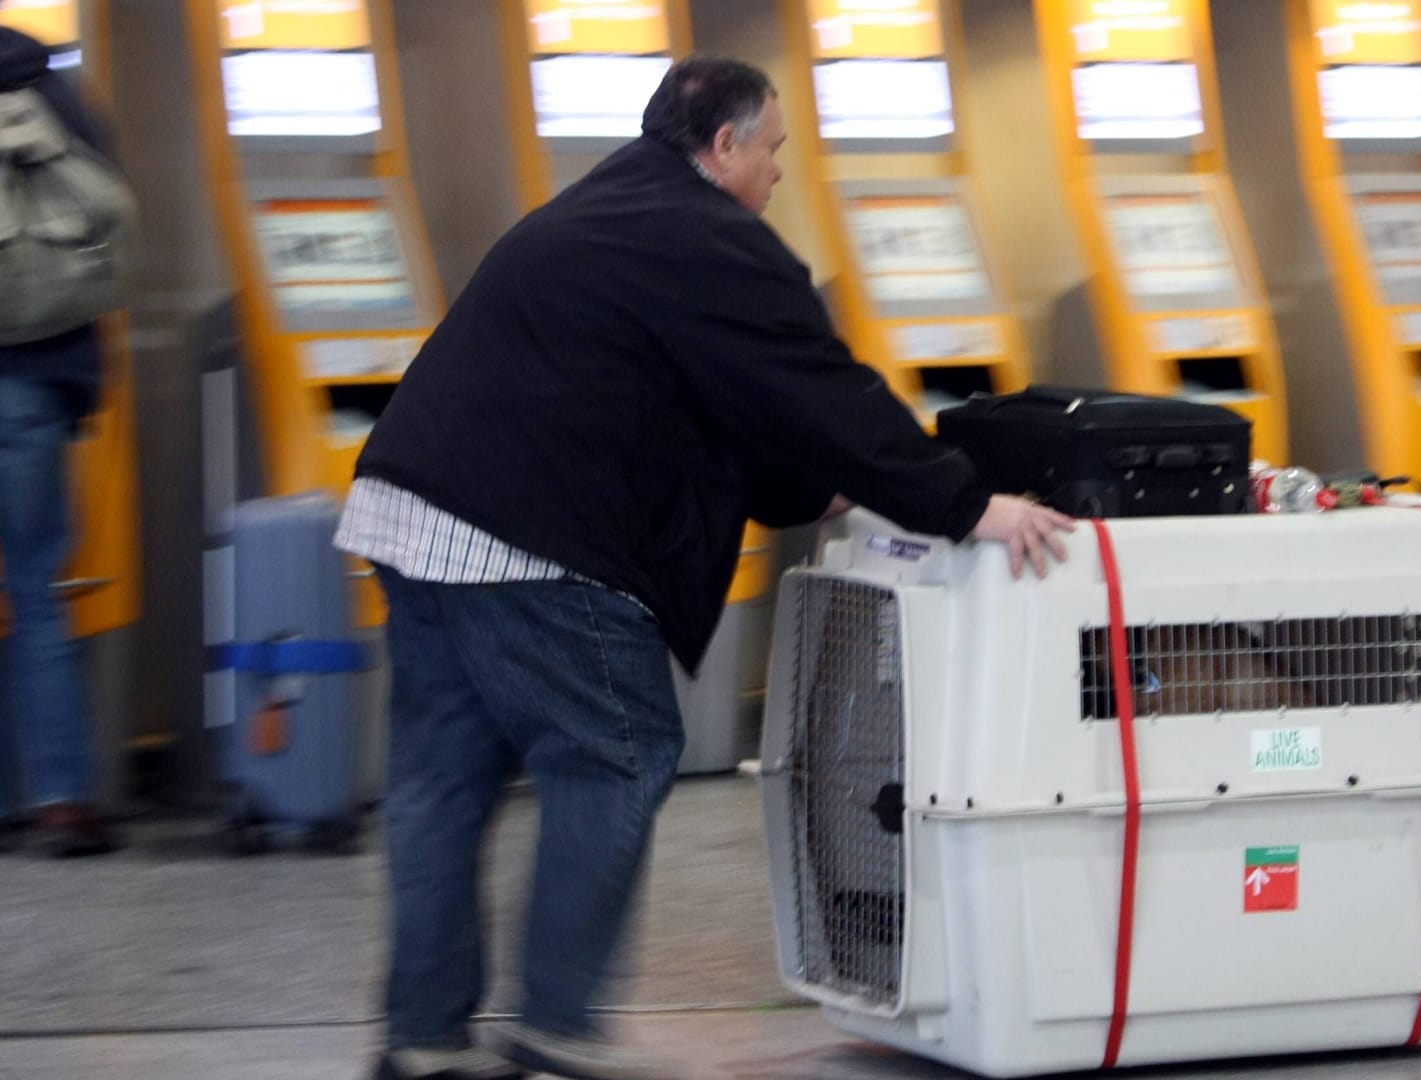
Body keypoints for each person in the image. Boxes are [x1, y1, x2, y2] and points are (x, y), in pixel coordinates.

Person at [336, 57, 1072, 1080]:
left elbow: (706, 397)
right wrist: (963, 503)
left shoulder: (611, 207)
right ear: (723, 146)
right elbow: (819, 388)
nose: (778, 172)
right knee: (620, 751)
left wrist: (812, 492)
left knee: (441, 784)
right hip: (526, 541)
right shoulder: (711, 238)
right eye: (772, 149)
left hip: (410, 513)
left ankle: (419, 1039)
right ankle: (557, 1020)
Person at [0, 23, 117, 858]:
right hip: (38, 382)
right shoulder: (55, 91)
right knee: (37, 585)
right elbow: (109, 229)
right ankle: (61, 801)